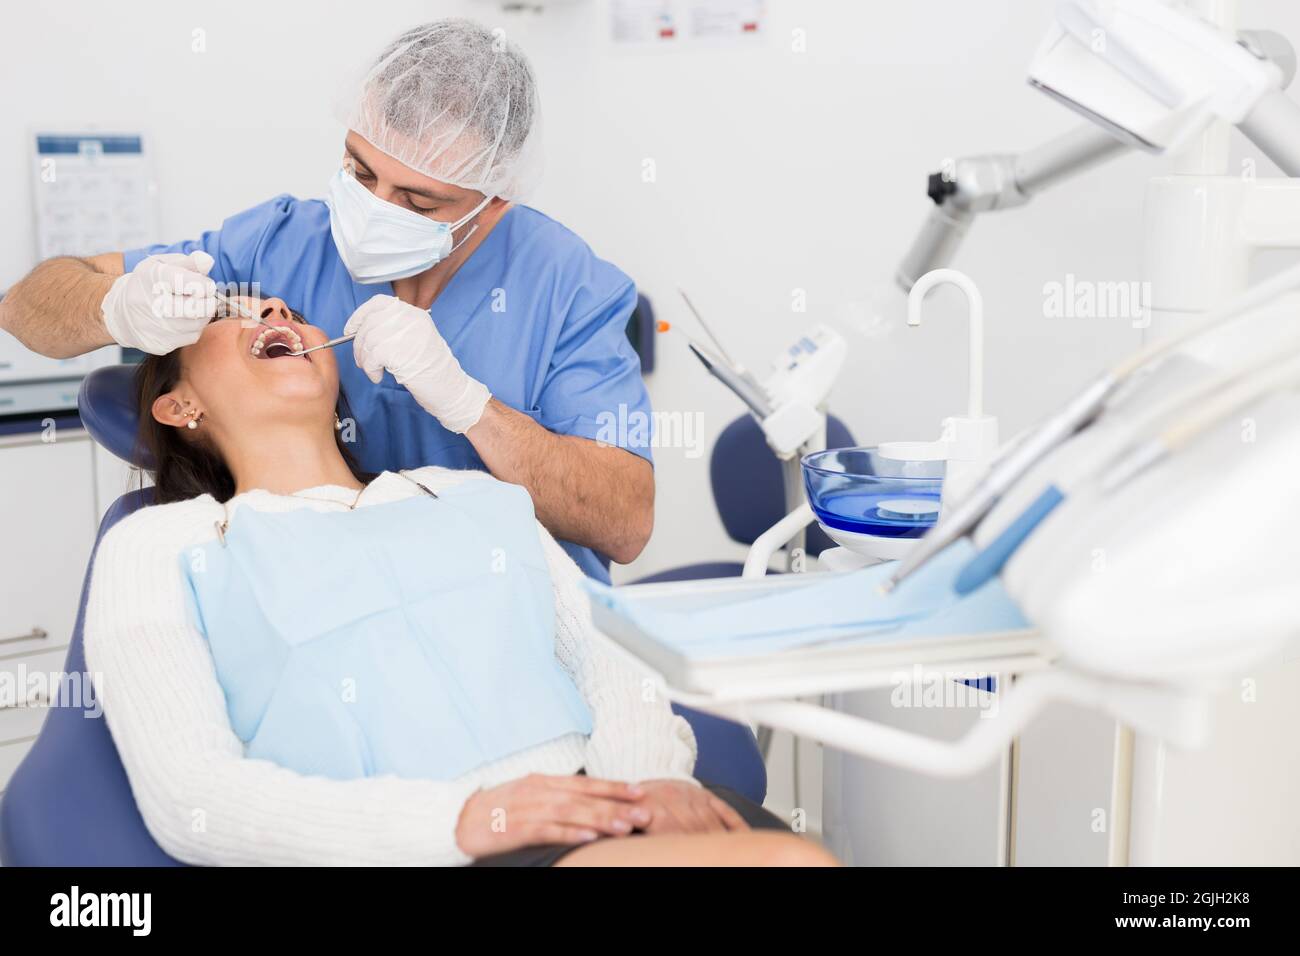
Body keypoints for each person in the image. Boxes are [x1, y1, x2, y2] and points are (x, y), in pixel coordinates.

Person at [83, 295, 837, 867]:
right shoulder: (161, 544)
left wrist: (655, 781)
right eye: (227, 312)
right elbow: (191, 795)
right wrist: (461, 820)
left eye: (286, 308)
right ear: (180, 405)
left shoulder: (469, 494)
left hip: (610, 806)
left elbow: (608, 659)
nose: (274, 310)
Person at [0, 19, 651, 581]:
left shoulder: (569, 287)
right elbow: (22, 309)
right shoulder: (284, 243)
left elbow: (625, 524)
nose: (373, 209)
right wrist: (113, 306)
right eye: (361, 171)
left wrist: (471, 408)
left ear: (493, 199)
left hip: (528, 625)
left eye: (418, 201)